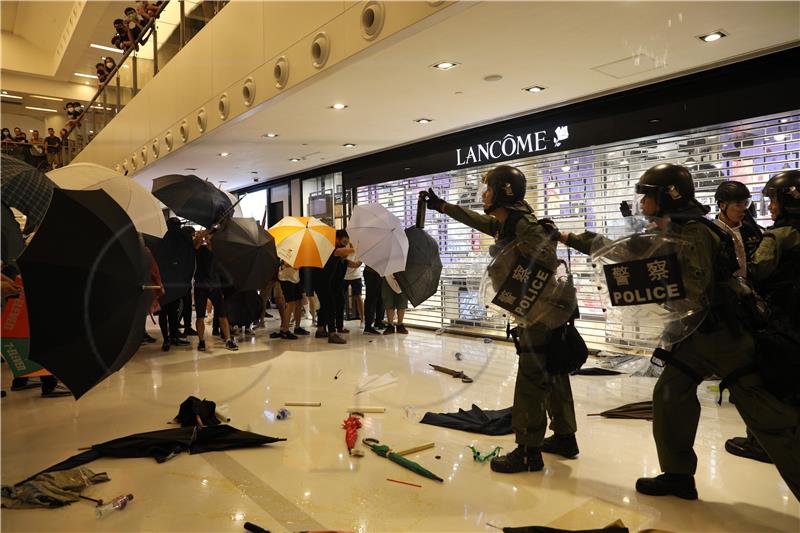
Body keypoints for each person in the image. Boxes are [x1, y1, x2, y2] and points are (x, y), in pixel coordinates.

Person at [559, 163, 799, 500]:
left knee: (769, 420)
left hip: (723, 335)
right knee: (670, 397)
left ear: (667, 196)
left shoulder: (693, 233)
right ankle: (677, 476)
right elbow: (623, 251)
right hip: (695, 336)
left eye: (648, 197)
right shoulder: (669, 230)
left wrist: (650, 288)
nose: (642, 204)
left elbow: (695, 289)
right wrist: (569, 238)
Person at [423, 165, 579, 473]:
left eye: (489, 189)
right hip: (542, 313)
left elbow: (546, 264)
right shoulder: (510, 223)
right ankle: (564, 436)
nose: (484, 195)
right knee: (554, 372)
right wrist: (443, 207)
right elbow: (481, 222)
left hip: (540, 315)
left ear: (503, 193)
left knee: (532, 380)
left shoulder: (525, 227)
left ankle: (527, 452)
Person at [725, 170, 800, 468]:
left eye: (774, 200)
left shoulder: (778, 235)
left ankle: (761, 442)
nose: (770, 206)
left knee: (770, 380)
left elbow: (757, 272)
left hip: (782, 320)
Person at [192, 229, 237, 352]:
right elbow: (195, 245)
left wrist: (207, 237)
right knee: (200, 316)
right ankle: (201, 341)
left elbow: (212, 249)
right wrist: (202, 236)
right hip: (201, 285)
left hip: (215, 285)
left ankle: (228, 340)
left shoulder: (216, 250)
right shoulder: (198, 249)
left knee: (222, 314)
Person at [313, 230, 354, 344]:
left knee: (326, 306)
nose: (345, 244)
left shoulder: (335, 251)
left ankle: (320, 330)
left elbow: (353, 264)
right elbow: (342, 251)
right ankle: (332, 334)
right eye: (344, 241)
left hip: (324, 282)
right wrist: (359, 249)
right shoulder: (332, 248)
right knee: (330, 305)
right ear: (337, 239)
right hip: (321, 281)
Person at [276, 261, 301, 339]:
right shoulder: (285, 250)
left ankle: (297, 327)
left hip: (294, 278)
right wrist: (295, 265)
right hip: (287, 278)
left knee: (298, 301)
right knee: (290, 303)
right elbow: (285, 263)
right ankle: (285, 330)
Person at [362, 265, 385, 335]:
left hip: (380, 274)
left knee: (380, 299)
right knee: (371, 300)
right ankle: (368, 326)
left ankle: (378, 322)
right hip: (371, 273)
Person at [343, 251, 364, 326]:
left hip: (356, 276)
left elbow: (356, 264)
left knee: (358, 297)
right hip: (344, 276)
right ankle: (339, 321)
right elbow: (353, 264)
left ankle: (362, 320)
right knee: (340, 298)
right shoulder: (343, 248)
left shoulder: (359, 247)